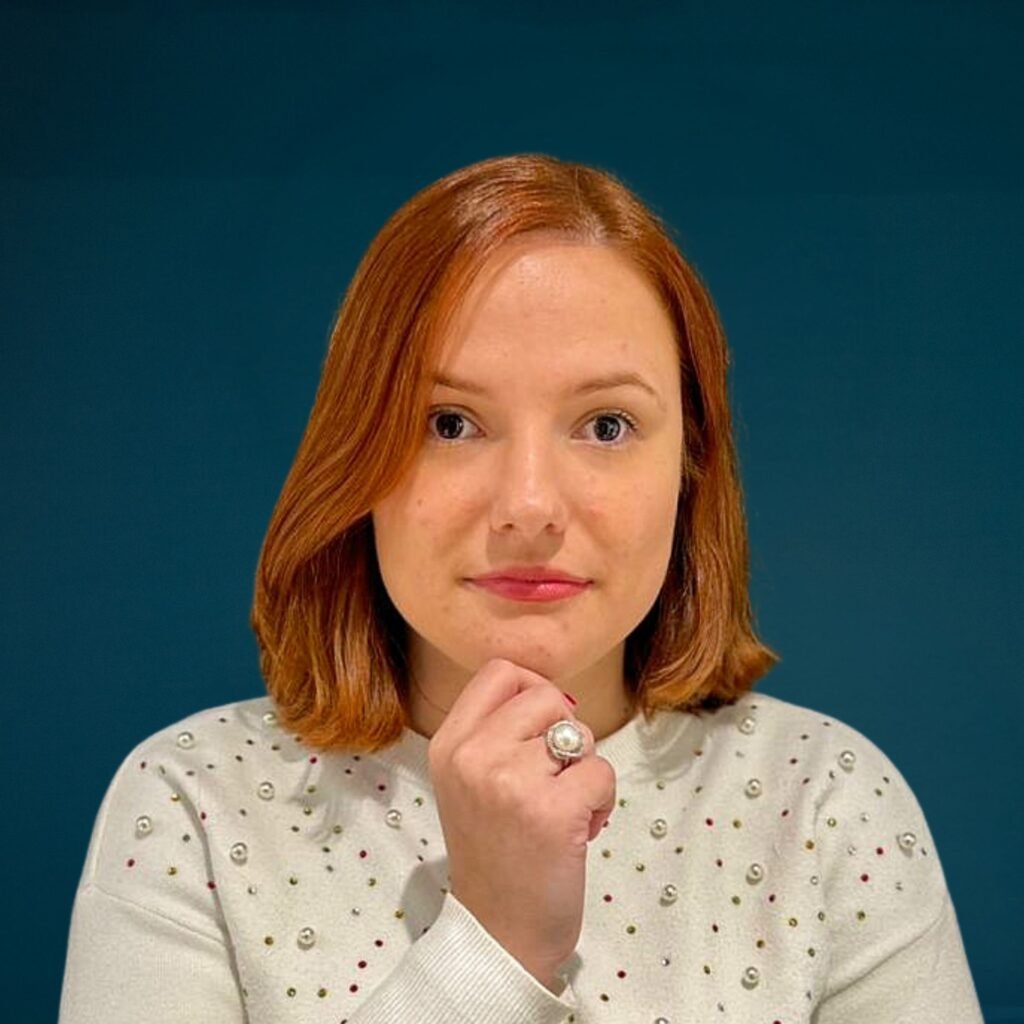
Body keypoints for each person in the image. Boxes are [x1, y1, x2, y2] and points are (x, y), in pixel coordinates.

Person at [58, 153, 983, 1023]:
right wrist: (493, 945)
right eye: (450, 423)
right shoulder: (191, 806)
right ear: (356, 457)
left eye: (607, 425)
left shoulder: (826, 802)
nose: (530, 506)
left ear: (691, 467)